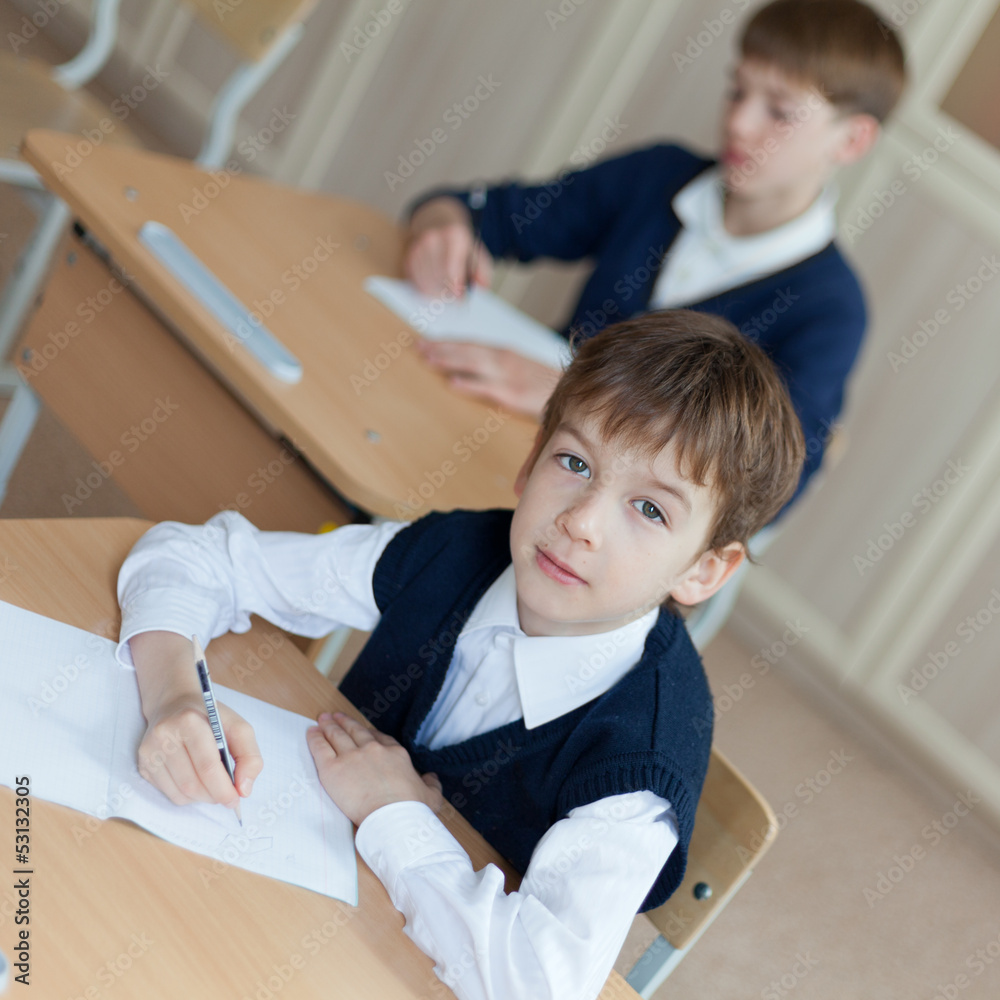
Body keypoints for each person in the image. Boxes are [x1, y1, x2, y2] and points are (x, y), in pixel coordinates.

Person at [116, 311, 804, 1000]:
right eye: (574, 464)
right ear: (530, 461)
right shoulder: (453, 552)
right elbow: (194, 557)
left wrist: (393, 812)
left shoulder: (640, 761)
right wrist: (174, 693)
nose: (581, 522)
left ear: (704, 571)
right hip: (291, 894)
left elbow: (538, 986)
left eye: (650, 510)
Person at [404, 0, 905, 508]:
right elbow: (482, 212)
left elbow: (766, 483)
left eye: (779, 111)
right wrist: (445, 227)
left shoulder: (831, 310)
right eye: (737, 91)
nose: (738, 122)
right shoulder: (656, 176)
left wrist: (576, 395)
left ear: (852, 140)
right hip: (499, 437)